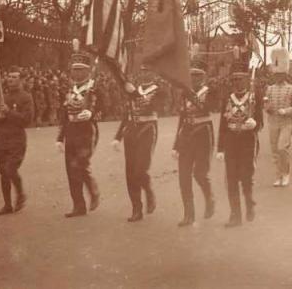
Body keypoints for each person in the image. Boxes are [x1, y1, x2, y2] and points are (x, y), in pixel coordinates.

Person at [112, 65, 164, 222]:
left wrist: (133, 93)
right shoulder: (134, 89)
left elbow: (157, 107)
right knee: (130, 172)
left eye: (148, 70)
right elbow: (127, 114)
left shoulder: (159, 90)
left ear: (154, 73)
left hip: (148, 130)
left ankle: (148, 190)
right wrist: (117, 137)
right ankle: (136, 208)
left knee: (140, 169)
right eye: (142, 71)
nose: (145, 74)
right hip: (131, 131)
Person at [56, 46, 101, 217]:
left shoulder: (93, 87)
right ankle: (78, 206)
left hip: (87, 130)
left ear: (87, 71)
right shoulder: (70, 89)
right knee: (70, 169)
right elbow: (64, 114)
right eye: (74, 69)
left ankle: (93, 190)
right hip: (71, 131)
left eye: (80, 70)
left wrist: (92, 112)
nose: (76, 73)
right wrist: (60, 138)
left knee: (80, 164)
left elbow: (103, 104)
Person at [217, 63, 263, 227]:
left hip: (247, 141)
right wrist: (220, 148)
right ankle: (235, 215)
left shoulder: (254, 97)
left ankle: (249, 202)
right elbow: (222, 125)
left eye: (240, 79)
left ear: (246, 79)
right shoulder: (227, 98)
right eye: (234, 79)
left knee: (245, 177)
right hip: (231, 140)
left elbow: (260, 122)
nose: (237, 83)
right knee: (231, 179)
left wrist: (254, 123)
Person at [173, 61, 216, 227]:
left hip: (203, 133)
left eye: (197, 75)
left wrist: (192, 96)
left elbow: (209, 108)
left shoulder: (210, 91)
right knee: (183, 176)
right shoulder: (185, 93)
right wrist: (176, 144)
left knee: (199, 173)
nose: (194, 79)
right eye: (191, 75)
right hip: (186, 136)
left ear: (203, 77)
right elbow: (182, 119)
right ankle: (189, 215)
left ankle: (209, 197)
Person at [0, 67, 33, 215]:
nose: (10, 79)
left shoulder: (26, 97)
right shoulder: (3, 97)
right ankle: (7, 205)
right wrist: (0, 117)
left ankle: (21, 194)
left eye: (14, 77)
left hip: (17, 140)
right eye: (9, 77)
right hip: (2, 140)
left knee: (10, 169)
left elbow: (27, 120)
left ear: (21, 80)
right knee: (3, 172)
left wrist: (9, 112)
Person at [264, 48, 292, 188]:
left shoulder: (291, 88)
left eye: (280, 74)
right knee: (275, 151)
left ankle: (286, 173)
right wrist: (267, 108)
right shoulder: (269, 89)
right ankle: (278, 175)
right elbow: (266, 104)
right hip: (273, 123)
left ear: (285, 75)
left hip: (286, 123)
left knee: (282, 148)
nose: (278, 77)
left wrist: (286, 110)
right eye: (276, 75)